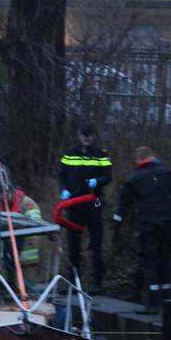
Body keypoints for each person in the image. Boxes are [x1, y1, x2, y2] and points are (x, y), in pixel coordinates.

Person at [112, 146, 171, 315]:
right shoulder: (168, 173)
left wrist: (116, 228)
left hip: (148, 225)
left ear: (138, 160)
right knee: (165, 261)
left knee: (149, 263)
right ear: (153, 157)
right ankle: (167, 300)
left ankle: (152, 304)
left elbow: (123, 207)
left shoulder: (134, 179)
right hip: (169, 224)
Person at [58, 125, 113, 293]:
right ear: (79, 136)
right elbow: (61, 175)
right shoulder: (70, 154)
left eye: (89, 136)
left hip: (94, 202)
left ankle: (97, 282)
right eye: (83, 135)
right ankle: (73, 282)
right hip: (74, 203)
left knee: (96, 243)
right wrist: (63, 189)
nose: (86, 139)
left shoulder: (101, 155)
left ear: (94, 136)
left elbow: (108, 176)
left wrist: (98, 181)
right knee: (73, 244)